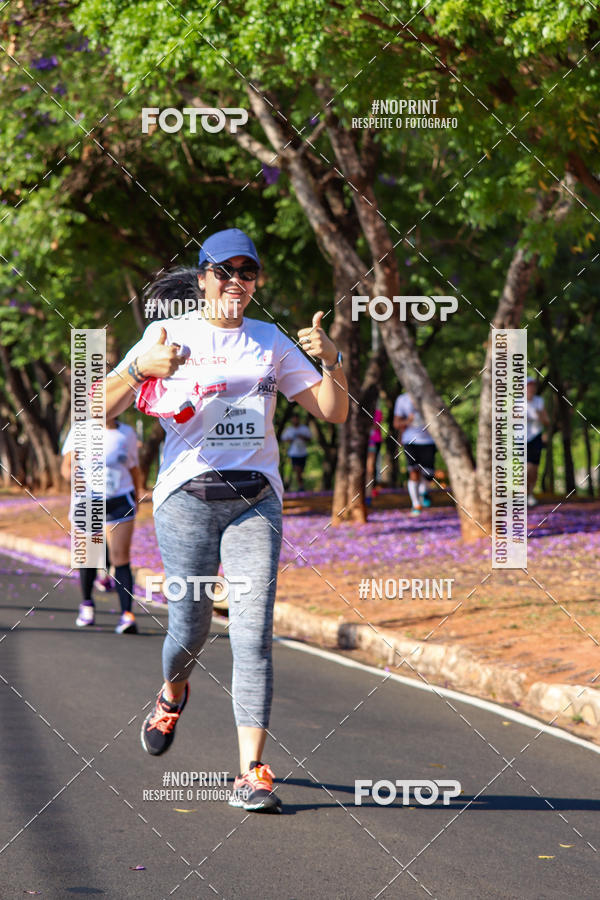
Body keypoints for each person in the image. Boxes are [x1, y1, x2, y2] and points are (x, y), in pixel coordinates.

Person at [105, 227, 348, 813]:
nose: (237, 281)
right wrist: (141, 369)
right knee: (188, 629)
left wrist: (334, 360)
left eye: (248, 272)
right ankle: (171, 692)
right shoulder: (168, 334)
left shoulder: (270, 341)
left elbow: (332, 413)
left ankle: (252, 771)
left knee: (251, 632)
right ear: (203, 276)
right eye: (225, 270)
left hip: (254, 500)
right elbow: (94, 406)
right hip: (186, 499)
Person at [61, 417, 142, 633]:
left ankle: (127, 614)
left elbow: (134, 469)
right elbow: (66, 466)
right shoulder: (80, 430)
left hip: (120, 499)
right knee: (89, 555)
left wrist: (138, 495)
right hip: (88, 500)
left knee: (120, 557)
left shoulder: (127, 433)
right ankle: (87, 603)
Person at [393, 390, 436, 516]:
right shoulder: (402, 399)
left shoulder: (428, 396)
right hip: (410, 441)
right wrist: (408, 421)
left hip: (429, 441)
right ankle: (416, 504)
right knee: (413, 471)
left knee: (428, 474)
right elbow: (396, 423)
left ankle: (424, 492)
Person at [526, 376, 549, 507]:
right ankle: (523, 494)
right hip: (520, 439)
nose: (531, 388)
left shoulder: (539, 402)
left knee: (534, 470)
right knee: (525, 468)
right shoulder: (517, 403)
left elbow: (547, 421)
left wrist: (539, 415)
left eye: (533, 386)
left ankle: (530, 494)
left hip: (536, 437)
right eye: (529, 385)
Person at [281, 411, 312, 491]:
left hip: (303, 453)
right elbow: (284, 439)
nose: (295, 421)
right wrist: (290, 440)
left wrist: (302, 437)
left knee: (300, 471)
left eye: (296, 419)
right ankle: (300, 486)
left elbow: (310, 439)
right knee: (297, 470)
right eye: (293, 419)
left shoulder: (304, 428)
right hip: (293, 453)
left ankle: (294, 484)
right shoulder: (289, 429)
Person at [365, 398, 384, 504]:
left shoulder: (377, 412)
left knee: (370, 469)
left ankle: (368, 494)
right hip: (357, 444)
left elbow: (376, 426)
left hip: (372, 442)